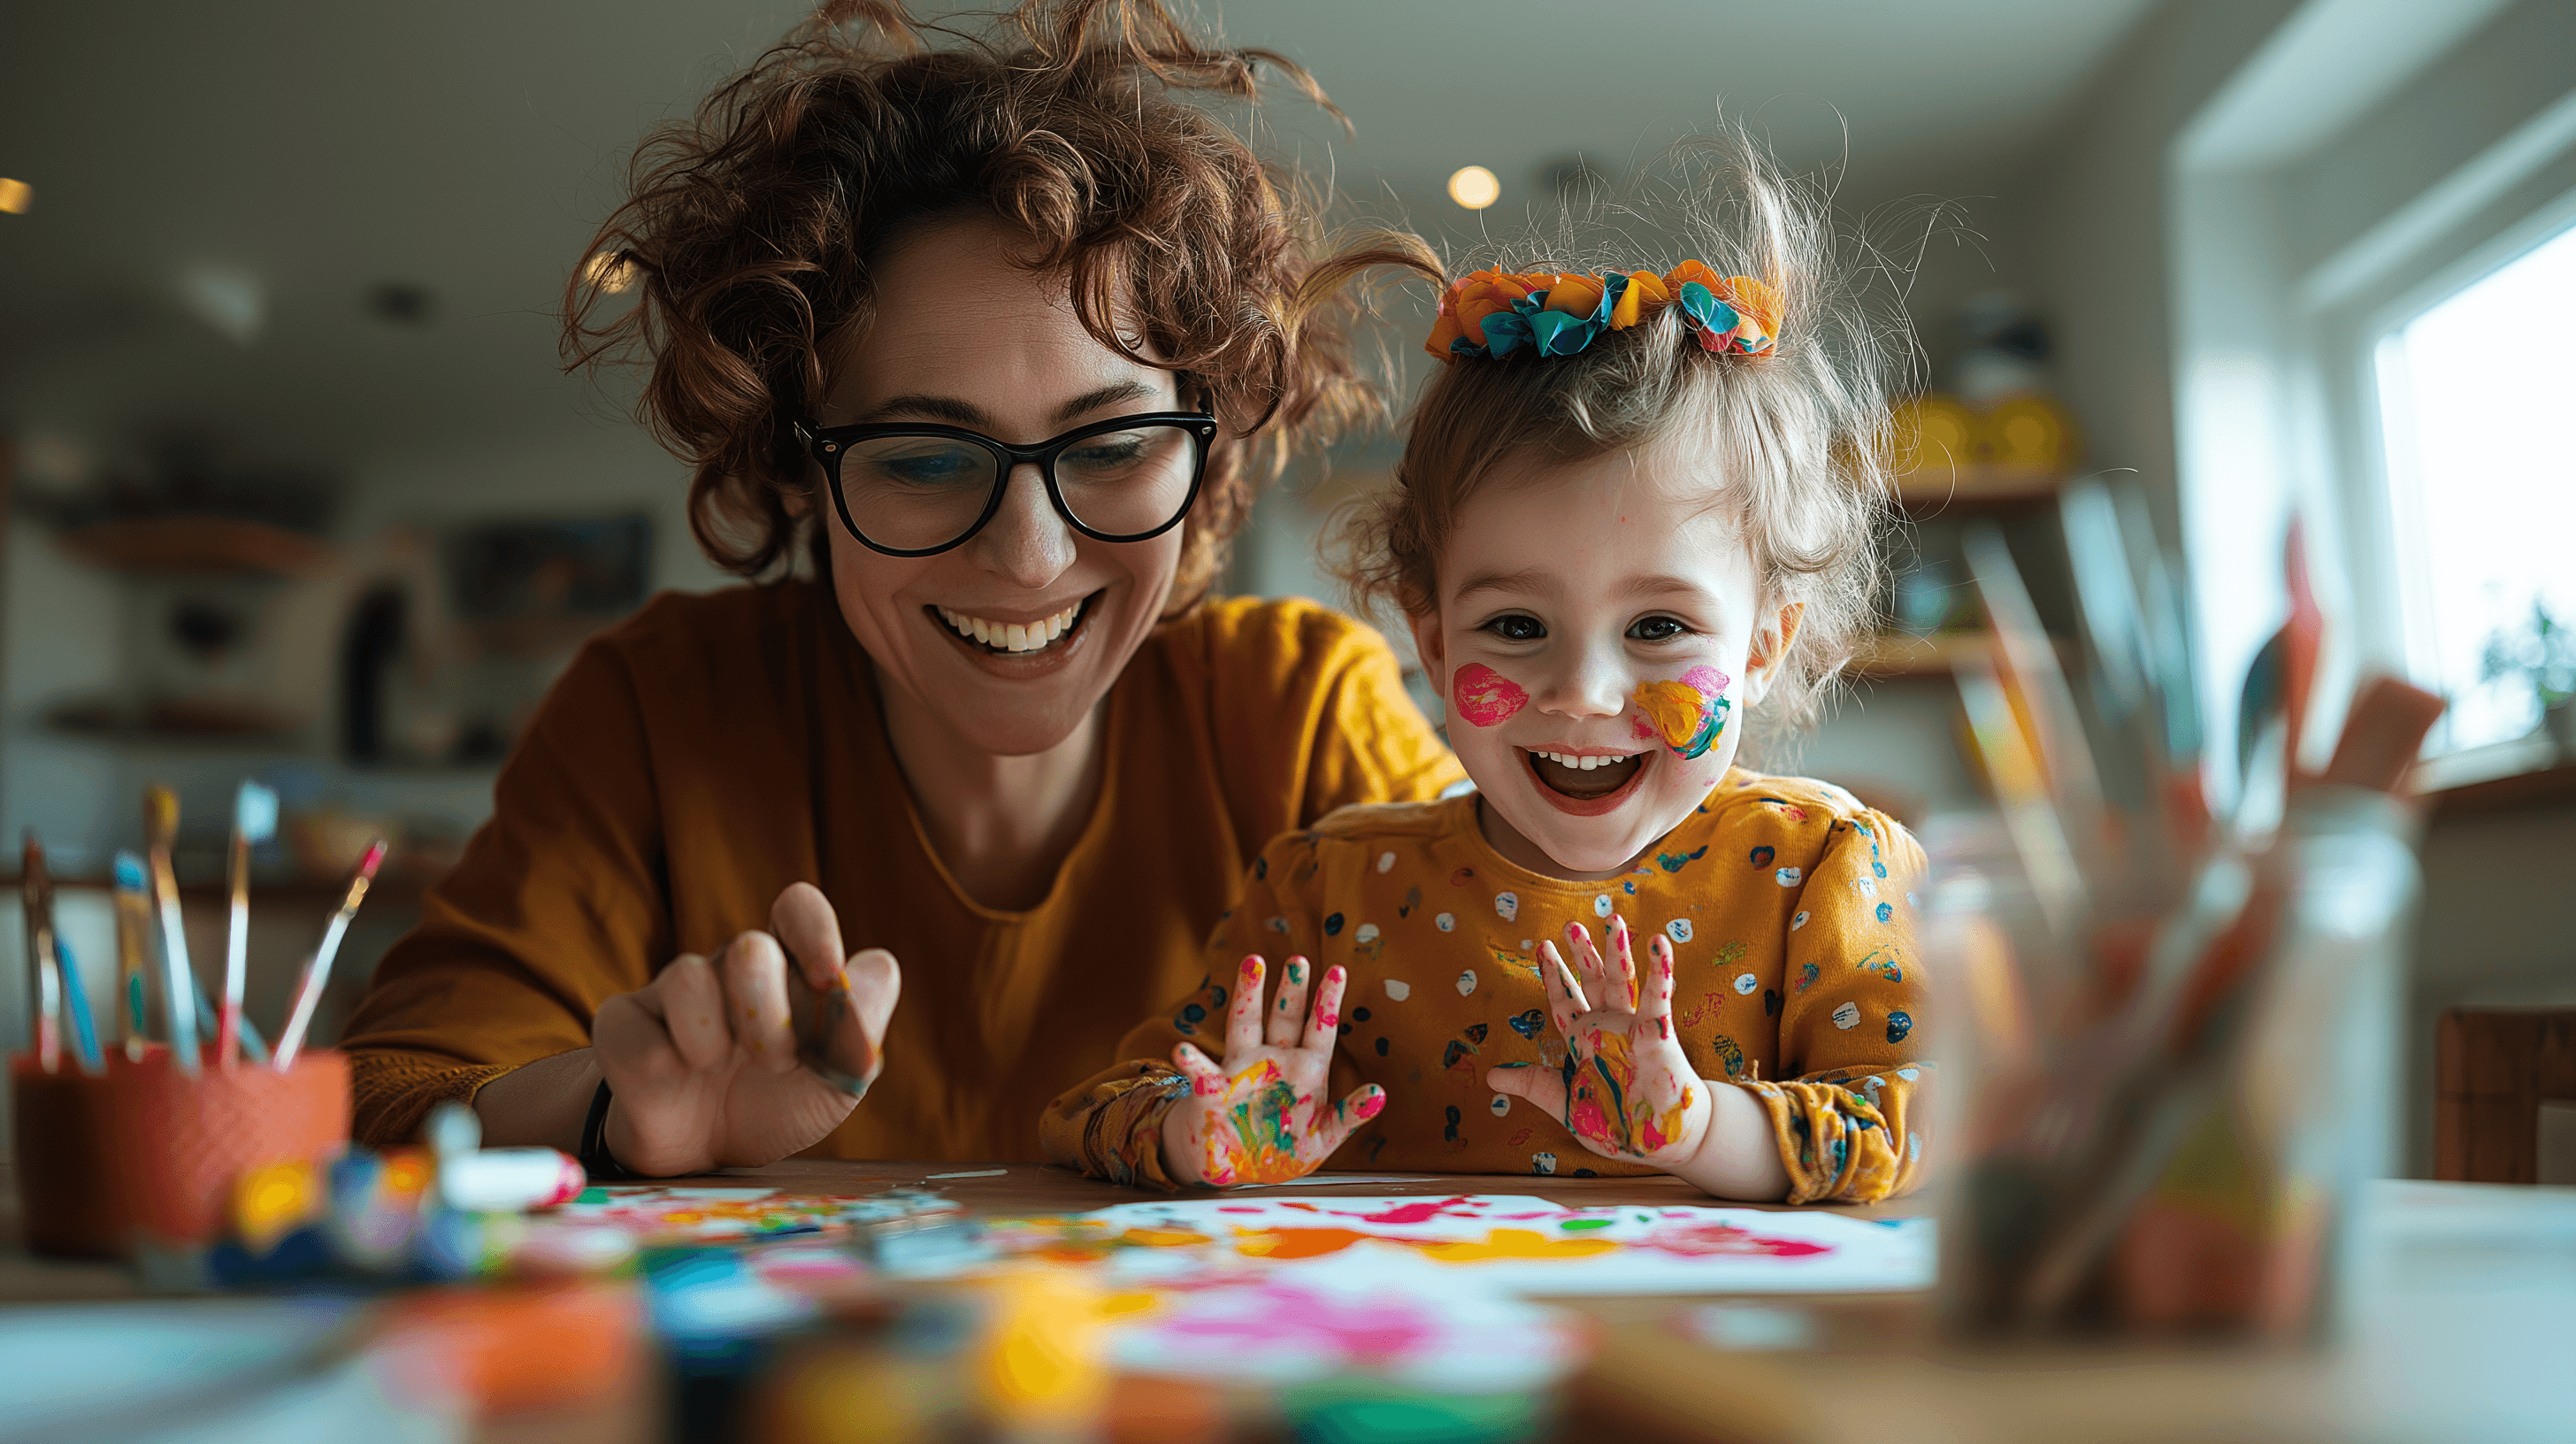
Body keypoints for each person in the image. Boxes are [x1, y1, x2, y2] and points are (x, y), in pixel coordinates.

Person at [336, 0, 1460, 1177]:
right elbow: (386, 1098)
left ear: (1209, 449)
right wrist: (616, 1115)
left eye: (1115, 448)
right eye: (925, 459)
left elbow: (1542, 1030)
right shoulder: (663, 710)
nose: (1029, 556)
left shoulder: (1298, 713)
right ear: (796, 471)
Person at [1043, 138, 1930, 1202]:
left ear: (1759, 647)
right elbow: (1092, 1110)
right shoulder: (1329, 888)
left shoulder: (1822, 872)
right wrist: (1200, 1135)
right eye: (1514, 626)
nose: (1580, 694)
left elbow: (1931, 1124)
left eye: (1655, 629)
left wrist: (1697, 1132)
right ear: (1430, 641)